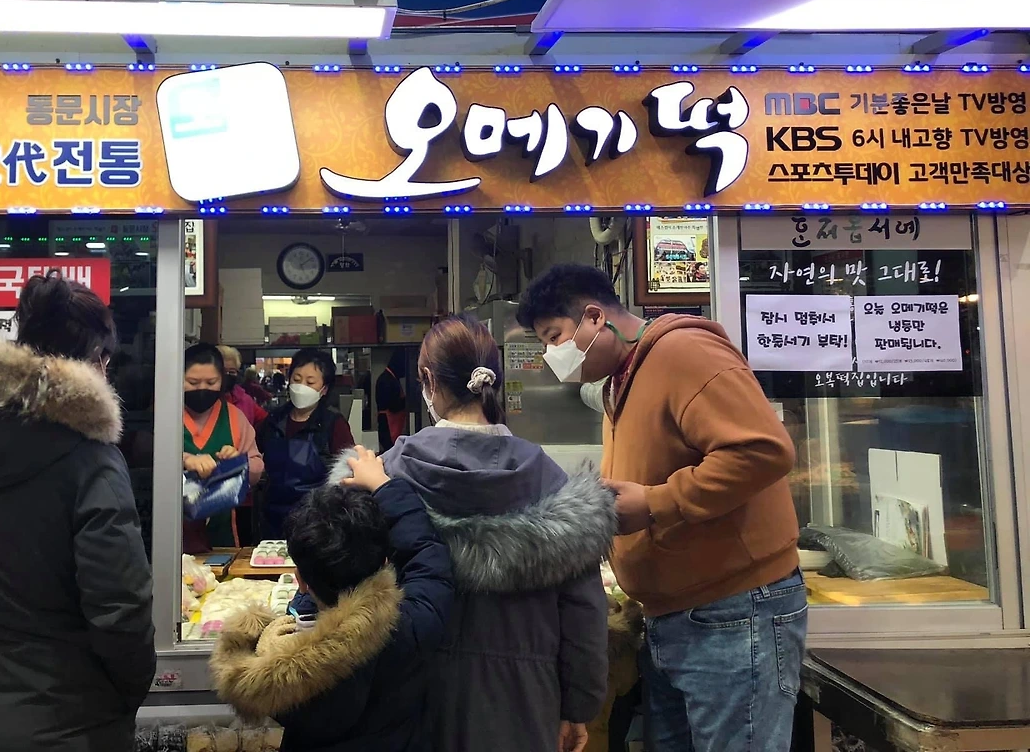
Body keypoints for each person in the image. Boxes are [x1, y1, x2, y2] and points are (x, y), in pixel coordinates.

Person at [517, 264, 804, 752]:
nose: (551, 356)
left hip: (733, 612)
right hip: (672, 615)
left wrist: (654, 503)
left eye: (554, 337)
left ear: (594, 317)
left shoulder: (684, 352)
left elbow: (764, 451)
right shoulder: (621, 380)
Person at [333, 315, 614, 752]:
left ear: (428, 381)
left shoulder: (382, 475)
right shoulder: (552, 482)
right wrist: (579, 706)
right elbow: (584, 615)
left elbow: (342, 602)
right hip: (523, 706)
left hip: (406, 705)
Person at [0, 273, 156, 751]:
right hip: (69, 717)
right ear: (97, 360)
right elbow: (120, 608)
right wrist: (126, 693)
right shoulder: (89, 458)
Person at [211, 447, 453, 752]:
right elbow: (426, 555)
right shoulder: (413, 626)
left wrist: (290, 616)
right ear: (384, 564)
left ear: (300, 580)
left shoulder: (280, 675)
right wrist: (385, 486)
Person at [256, 349, 356, 538]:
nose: (301, 386)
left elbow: (348, 474)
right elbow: (254, 456)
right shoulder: (273, 420)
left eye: (310, 383)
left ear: (324, 389)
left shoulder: (334, 424)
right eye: (297, 379)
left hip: (317, 523)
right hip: (272, 520)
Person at [184, 343, 264, 551]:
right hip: (169, 533)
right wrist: (184, 459)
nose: (202, 388)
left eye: (211, 382)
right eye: (192, 382)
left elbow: (256, 466)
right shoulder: (165, 412)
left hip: (221, 533)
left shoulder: (234, 416)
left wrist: (237, 462)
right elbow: (144, 455)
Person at [218, 345, 269, 427]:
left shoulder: (245, 400)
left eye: (232, 371)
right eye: (222, 371)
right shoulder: (204, 399)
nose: (227, 375)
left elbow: (266, 420)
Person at [374, 348, 409, 452]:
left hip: (390, 424)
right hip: (388, 424)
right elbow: (392, 406)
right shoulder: (386, 380)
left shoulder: (390, 378)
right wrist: (406, 401)